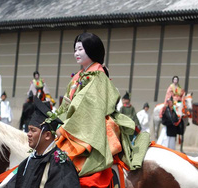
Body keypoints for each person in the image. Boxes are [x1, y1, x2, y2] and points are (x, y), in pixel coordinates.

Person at [54, 32, 150, 177]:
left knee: (72, 153)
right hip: (74, 119)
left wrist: (66, 126)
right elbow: (68, 101)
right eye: (75, 50)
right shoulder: (79, 76)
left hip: (92, 119)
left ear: (92, 49)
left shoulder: (98, 74)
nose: (76, 53)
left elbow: (89, 103)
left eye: (80, 49)